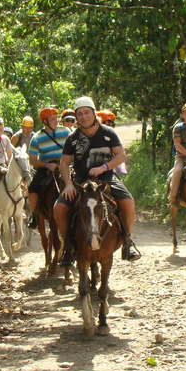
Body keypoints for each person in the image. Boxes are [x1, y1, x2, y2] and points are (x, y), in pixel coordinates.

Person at [55, 97, 141, 265]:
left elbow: (121, 155)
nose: (83, 116)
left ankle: (127, 243)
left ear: (94, 113)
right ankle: (68, 247)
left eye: (87, 112)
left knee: (129, 203)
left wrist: (103, 168)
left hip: (106, 178)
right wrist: (69, 184)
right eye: (79, 114)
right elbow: (64, 163)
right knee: (59, 208)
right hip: (81, 181)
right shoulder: (72, 138)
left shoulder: (108, 133)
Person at [26, 107, 70, 228]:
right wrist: (47, 165)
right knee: (33, 188)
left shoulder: (66, 131)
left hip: (66, 165)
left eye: (56, 118)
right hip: (47, 168)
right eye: (52, 119)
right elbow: (33, 160)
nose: (56, 121)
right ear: (45, 121)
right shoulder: (36, 138)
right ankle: (34, 215)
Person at [97, 110, 127, 176]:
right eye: (106, 124)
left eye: (112, 124)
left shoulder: (112, 136)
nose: (109, 127)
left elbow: (121, 155)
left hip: (108, 170)